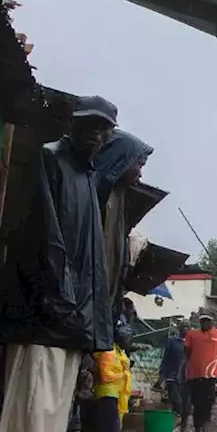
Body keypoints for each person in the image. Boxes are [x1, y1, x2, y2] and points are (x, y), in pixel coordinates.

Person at [0, 95, 118, 432]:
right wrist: (60, 300)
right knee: (32, 407)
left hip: (69, 318)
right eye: (90, 125)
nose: (96, 134)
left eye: (104, 129)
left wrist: (86, 317)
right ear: (73, 123)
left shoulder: (87, 177)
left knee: (53, 411)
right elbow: (44, 239)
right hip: (42, 312)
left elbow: (90, 261)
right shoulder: (49, 160)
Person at [92, 130, 152, 313]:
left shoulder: (118, 199)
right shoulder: (94, 195)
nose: (140, 174)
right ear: (122, 160)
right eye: (139, 165)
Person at [82, 325, 132, 432]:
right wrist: (123, 374)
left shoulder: (120, 353)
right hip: (107, 392)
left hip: (118, 393)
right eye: (128, 338)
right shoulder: (109, 352)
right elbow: (105, 375)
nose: (129, 342)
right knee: (110, 428)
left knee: (114, 426)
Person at [181, 314, 217, 432]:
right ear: (200, 322)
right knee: (196, 404)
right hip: (194, 376)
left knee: (208, 404)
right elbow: (186, 355)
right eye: (202, 321)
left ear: (212, 322)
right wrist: (181, 370)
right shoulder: (192, 335)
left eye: (207, 321)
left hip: (211, 376)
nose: (205, 323)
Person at [160, 321, 190, 432]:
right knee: (177, 404)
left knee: (186, 408)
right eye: (183, 327)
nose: (186, 329)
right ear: (179, 329)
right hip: (172, 378)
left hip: (187, 379)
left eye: (188, 327)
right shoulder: (173, 342)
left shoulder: (192, 344)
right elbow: (166, 359)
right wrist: (162, 375)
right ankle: (171, 428)